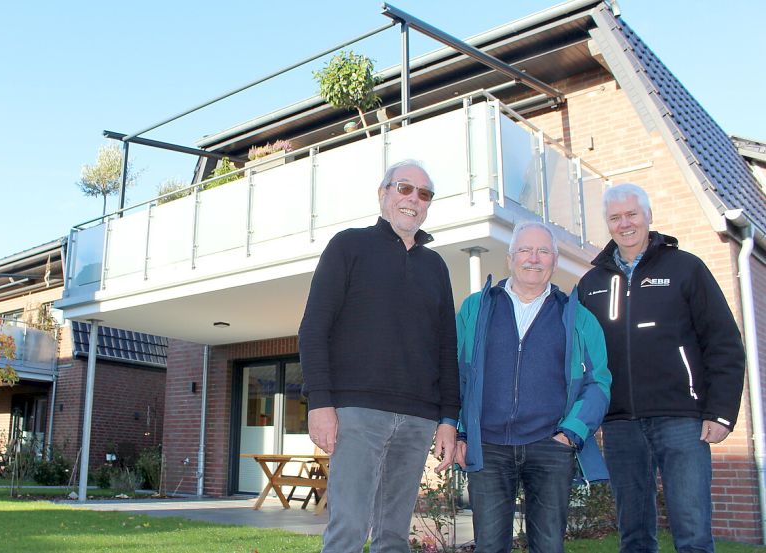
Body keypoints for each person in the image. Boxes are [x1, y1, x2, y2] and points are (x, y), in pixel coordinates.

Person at [299, 159, 459, 552]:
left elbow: (446, 348)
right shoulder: (348, 246)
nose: (413, 199)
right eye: (404, 188)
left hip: (418, 420)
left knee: (393, 537)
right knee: (348, 531)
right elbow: (314, 328)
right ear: (383, 193)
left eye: (424, 194)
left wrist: (448, 419)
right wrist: (320, 403)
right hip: (357, 414)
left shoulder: (436, 266)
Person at [577, 183, 745, 553]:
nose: (624, 224)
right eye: (615, 217)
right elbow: (578, 357)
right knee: (633, 537)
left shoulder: (686, 268)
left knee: (693, 534)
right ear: (607, 223)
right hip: (619, 424)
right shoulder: (591, 284)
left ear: (648, 216)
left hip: (682, 419)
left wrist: (720, 412)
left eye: (631, 214)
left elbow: (723, 342)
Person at [455, 221, 611, 553]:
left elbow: (599, 382)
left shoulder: (579, 317)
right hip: (490, 447)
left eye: (543, 251)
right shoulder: (475, 308)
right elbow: (456, 373)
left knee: (548, 546)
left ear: (554, 261)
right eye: (525, 250)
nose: (534, 258)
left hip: (550, 445)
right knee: (490, 547)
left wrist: (571, 432)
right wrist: (460, 431)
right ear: (510, 258)